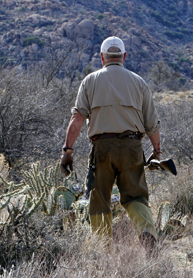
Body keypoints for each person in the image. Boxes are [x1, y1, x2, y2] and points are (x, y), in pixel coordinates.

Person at [60, 36, 161, 252]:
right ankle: (147, 234)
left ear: (102, 57)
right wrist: (157, 151)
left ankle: (103, 248)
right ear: (124, 56)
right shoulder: (139, 82)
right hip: (132, 147)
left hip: (102, 147)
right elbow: (151, 123)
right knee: (135, 196)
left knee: (99, 198)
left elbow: (77, 119)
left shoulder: (90, 81)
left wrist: (67, 151)